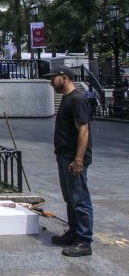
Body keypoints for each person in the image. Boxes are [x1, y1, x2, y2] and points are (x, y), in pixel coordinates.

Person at [43, 66, 94, 257]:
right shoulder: (67, 99)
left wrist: (79, 159)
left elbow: (84, 130)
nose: (50, 82)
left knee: (80, 200)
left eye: (53, 78)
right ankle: (74, 232)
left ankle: (84, 240)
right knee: (70, 199)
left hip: (73, 159)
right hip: (64, 156)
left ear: (64, 78)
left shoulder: (77, 99)